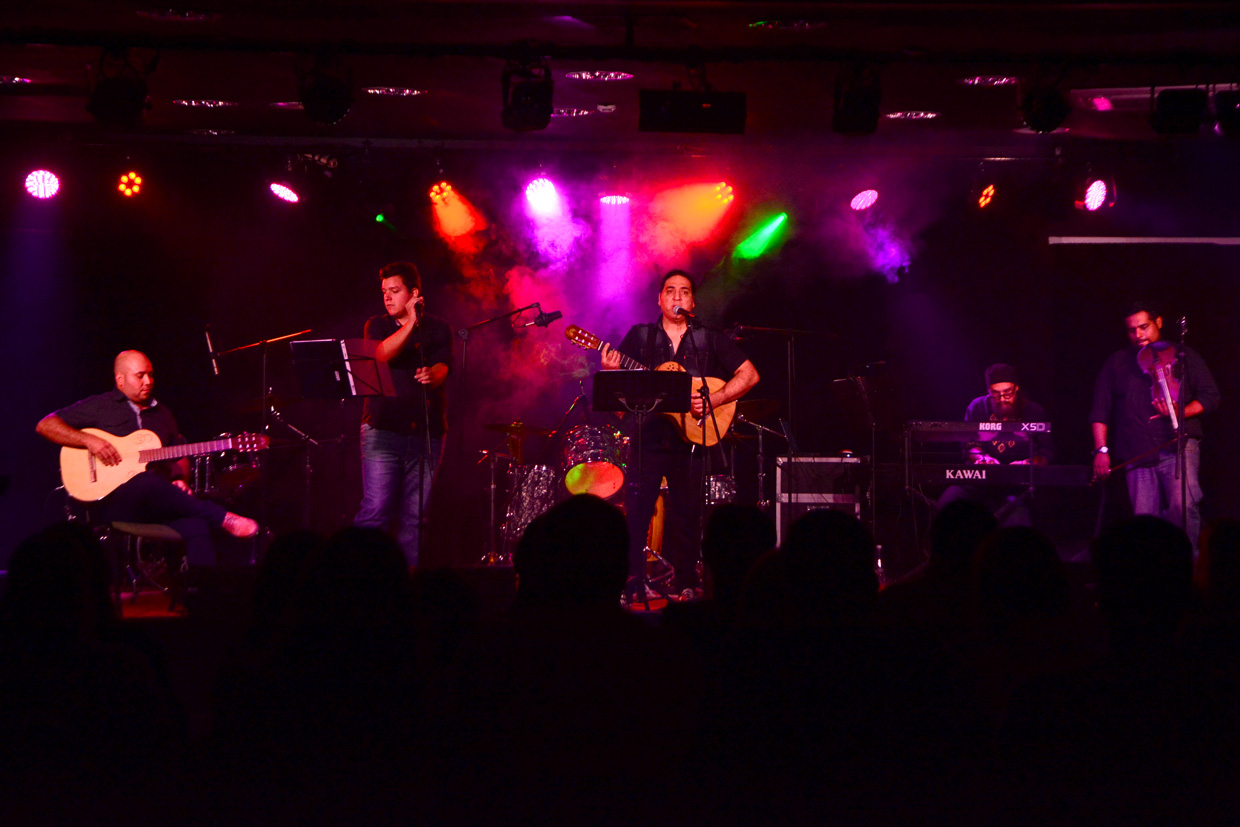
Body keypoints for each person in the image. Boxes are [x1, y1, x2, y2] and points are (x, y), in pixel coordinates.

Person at [601, 270, 759, 597]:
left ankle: (686, 582)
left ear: (693, 302)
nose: (676, 297)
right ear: (659, 299)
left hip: (692, 440)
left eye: (684, 291)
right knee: (638, 511)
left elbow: (749, 375)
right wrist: (612, 372)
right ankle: (632, 583)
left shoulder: (708, 338)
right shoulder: (640, 337)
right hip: (648, 438)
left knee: (688, 514)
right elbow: (618, 406)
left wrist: (712, 399)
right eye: (670, 291)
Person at [35, 350, 257, 567]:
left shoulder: (163, 414)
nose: (148, 381)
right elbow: (45, 425)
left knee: (196, 525)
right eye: (140, 376)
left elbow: (179, 457)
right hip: (113, 503)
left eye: (150, 374)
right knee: (145, 481)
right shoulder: (100, 406)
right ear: (120, 379)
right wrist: (88, 441)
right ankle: (222, 517)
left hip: (157, 503)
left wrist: (179, 480)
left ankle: (202, 597)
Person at [1090, 301, 1220, 549]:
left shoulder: (1184, 355)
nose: (1138, 335)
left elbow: (1210, 396)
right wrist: (1101, 449)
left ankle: (1190, 566)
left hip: (1178, 445)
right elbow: (1100, 409)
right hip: (1137, 451)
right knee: (1144, 519)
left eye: (1144, 327)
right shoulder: (1117, 362)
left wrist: (1181, 411)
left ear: (1158, 322)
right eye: (1132, 330)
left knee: (1182, 508)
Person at [354, 261, 452, 568]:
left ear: (414, 293)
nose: (387, 297)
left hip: (426, 433)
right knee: (376, 511)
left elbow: (443, 366)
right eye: (384, 291)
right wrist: (410, 323)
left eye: (395, 291)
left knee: (415, 517)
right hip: (383, 432)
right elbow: (380, 355)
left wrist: (432, 376)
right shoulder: (376, 324)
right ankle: (360, 578)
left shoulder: (439, 328)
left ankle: (408, 587)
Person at [938, 363, 1052, 526]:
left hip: (1019, 482)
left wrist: (1027, 464)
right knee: (946, 503)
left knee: (1017, 520)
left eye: (1007, 393)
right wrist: (982, 459)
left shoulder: (1033, 411)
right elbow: (969, 445)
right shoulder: (977, 407)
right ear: (989, 392)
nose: (1002, 399)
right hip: (981, 479)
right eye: (996, 394)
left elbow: (1046, 452)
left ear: (1016, 388)